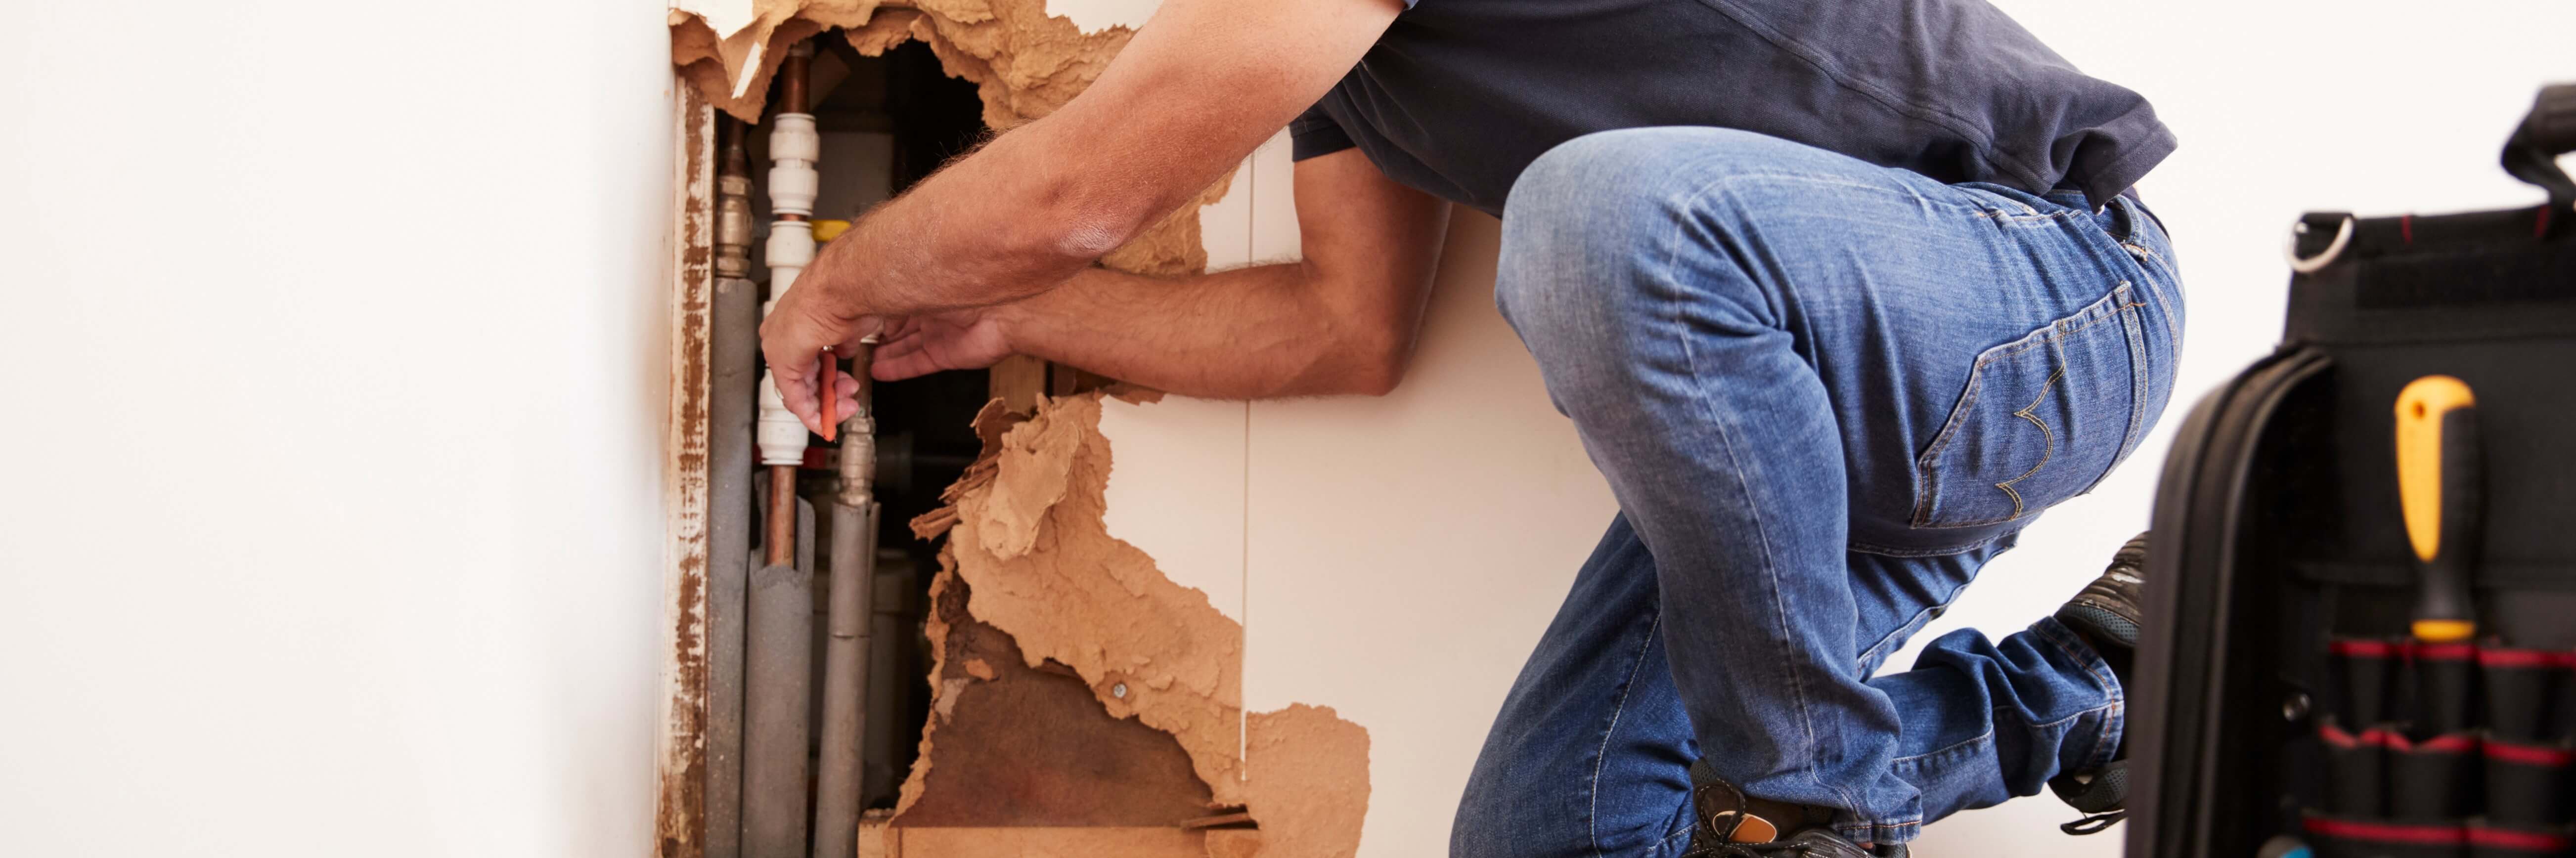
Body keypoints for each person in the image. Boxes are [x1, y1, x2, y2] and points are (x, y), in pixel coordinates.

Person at [762, 0, 2182, 854]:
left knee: (1606, 217)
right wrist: (1013, 321)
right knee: (1552, 837)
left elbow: (1078, 194)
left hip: (2042, 305)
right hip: (1808, 438)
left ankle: (1813, 785)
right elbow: (1342, 327)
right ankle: (2094, 686)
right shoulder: (1331, 62)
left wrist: (839, 278)